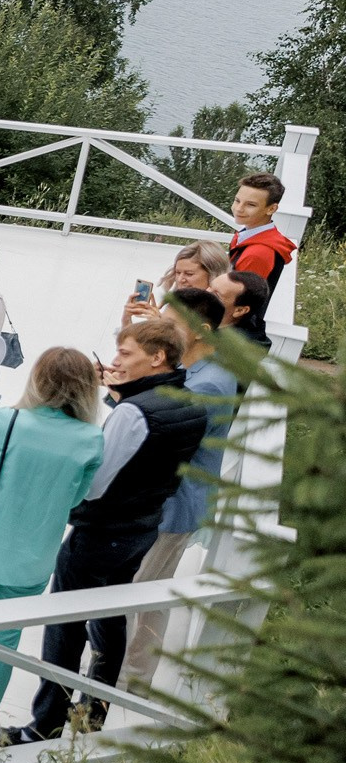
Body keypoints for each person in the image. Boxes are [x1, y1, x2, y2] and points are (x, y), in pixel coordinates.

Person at [8, 317, 208, 743]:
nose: (115, 360)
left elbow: (97, 486)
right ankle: (95, 709)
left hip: (99, 533)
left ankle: (45, 723)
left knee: (64, 627)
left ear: (157, 357)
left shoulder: (133, 413)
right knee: (111, 616)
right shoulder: (189, 401)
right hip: (144, 526)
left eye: (125, 353)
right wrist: (119, 392)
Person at [0, 347, 107, 752]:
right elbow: (78, 498)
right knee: (3, 645)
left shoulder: (5, 419)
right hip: (33, 559)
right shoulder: (91, 438)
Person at [121, 287, 238, 685]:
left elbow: (164, 434)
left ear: (202, 330)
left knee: (140, 590)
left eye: (170, 324)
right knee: (147, 588)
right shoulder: (194, 368)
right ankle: (131, 671)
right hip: (171, 496)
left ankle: (126, 676)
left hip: (176, 500)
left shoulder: (210, 384)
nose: (160, 329)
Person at [120, 241, 227, 328]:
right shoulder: (176, 304)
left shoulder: (219, 312)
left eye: (189, 274)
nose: (180, 279)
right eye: (177, 272)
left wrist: (161, 327)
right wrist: (126, 320)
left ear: (213, 275)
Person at [226, 171, 294, 293]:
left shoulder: (257, 254)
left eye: (250, 205)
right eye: (237, 200)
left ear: (271, 209)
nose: (239, 209)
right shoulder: (248, 235)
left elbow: (235, 298)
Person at [212, 269, 273, 349]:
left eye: (216, 295)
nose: (204, 292)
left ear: (239, 311)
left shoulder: (227, 352)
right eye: (209, 287)